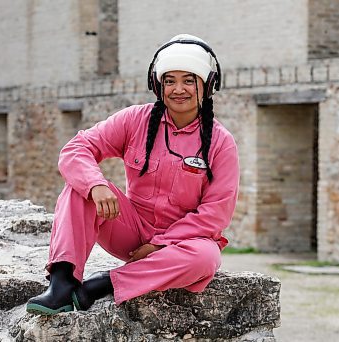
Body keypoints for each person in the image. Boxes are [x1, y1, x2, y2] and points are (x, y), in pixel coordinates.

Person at [26, 33, 240, 315]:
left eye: (189, 80)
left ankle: (101, 286)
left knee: (206, 258)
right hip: (130, 230)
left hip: (181, 243)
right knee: (78, 189)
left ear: (207, 85)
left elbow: (216, 214)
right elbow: (77, 148)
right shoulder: (134, 120)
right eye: (169, 80)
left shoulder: (221, 143)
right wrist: (96, 185)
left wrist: (159, 244)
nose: (178, 89)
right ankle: (62, 284)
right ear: (157, 84)